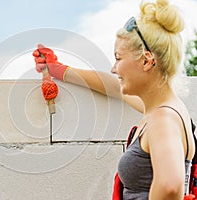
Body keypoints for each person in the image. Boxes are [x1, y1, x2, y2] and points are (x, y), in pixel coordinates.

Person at [32, 0, 196, 199]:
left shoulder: (162, 119)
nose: (114, 68)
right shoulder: (164, 108)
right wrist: (60, 69)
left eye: (118, 58)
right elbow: (116, 88)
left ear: (146, 60)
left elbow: (171, 186)